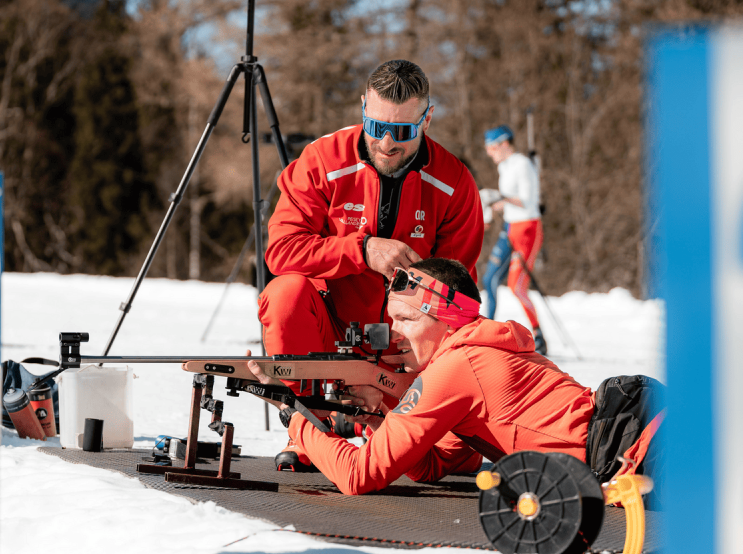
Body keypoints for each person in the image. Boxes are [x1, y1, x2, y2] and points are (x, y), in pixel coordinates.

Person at [252, 258, 659, 496]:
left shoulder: (456, 367)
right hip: (634, 432)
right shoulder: (477, 350)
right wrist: (380, 418)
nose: (391, 334)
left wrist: (294, 417)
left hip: (638, 446)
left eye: (406, 320)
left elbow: (359, 476)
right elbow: (431, 466)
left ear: (445, 320)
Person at [259, 60, 485, 470]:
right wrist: (361, 250)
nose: (385, 143)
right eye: (375, 125)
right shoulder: (321, 160)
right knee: (284, 294)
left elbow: (457, 303)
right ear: (363, 106)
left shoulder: (454, 183)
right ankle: (312, 425)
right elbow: (282, 251)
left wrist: (408, 362)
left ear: (427, 118)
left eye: (401, 131)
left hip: (405, 353)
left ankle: (389, 421)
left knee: (457, 459)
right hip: (329, 338)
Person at [482, 124, 547, 355]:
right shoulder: (504, 167)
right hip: (510, 228)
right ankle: (484, 331)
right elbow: (509, 200)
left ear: (504, 144)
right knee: (489, 278)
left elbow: (527, 201)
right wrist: (493, 208)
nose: (489, 153)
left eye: (491, 147)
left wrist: (501, 199)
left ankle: (538, 335)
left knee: (516, 286)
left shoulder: (521, 164)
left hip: (527, 228)